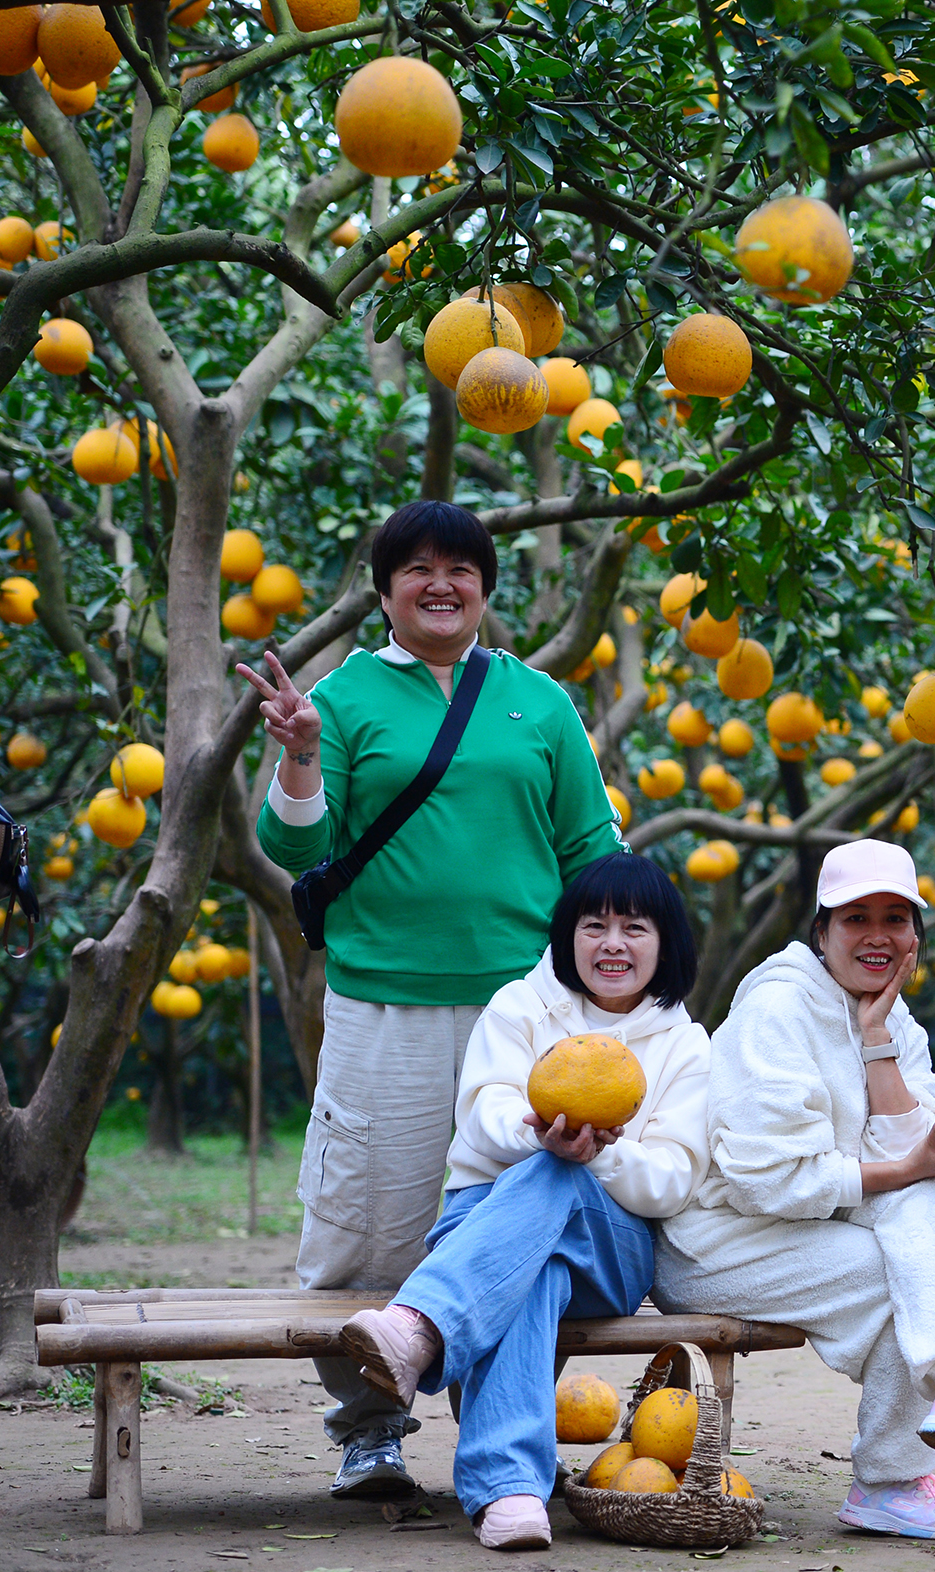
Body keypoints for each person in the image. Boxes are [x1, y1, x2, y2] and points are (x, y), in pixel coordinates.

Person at [244, 500, 624, 1499]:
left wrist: (619, 979)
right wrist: (294, 754)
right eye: (416, 568)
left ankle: (496, 1435)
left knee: (517, 1223)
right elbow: (293, 848)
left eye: (460, 567)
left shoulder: (538, 702)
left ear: (486, 589)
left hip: (531, 1017)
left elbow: (592, 852)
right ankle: (370, 1428)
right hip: (386, 1009)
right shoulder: (344, 697)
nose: (440, 582)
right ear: (384, 592)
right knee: (364, 1225)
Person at [653, 839, 935, 1542]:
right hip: (718, 1245)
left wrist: (876, 1037)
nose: (878, 936)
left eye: (896, 918)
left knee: (913, 1221)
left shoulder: (894, 1020)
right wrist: (912, 1169)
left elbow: (908, 1159)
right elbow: (767, 1183)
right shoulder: (779, 1006)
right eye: (856, 919)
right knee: (906, 1268)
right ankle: (902, 1467)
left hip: (807, 1233)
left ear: (916, 933)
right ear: (822, 931)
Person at [332, 852, 711, 1551]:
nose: (613, 943)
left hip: (612, 1249)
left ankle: (418, 1326)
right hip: (485, 1227)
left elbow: (673, 1179)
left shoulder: (686, 1046)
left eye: (635, 927)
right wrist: (538, 1134)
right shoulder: (519, 1006)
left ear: (667, 943)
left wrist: (598, 1153)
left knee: (560, 1177)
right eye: (594, 925)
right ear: (568, 935)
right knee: (535, 1267)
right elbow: (482, 1114)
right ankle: (508, 1491)